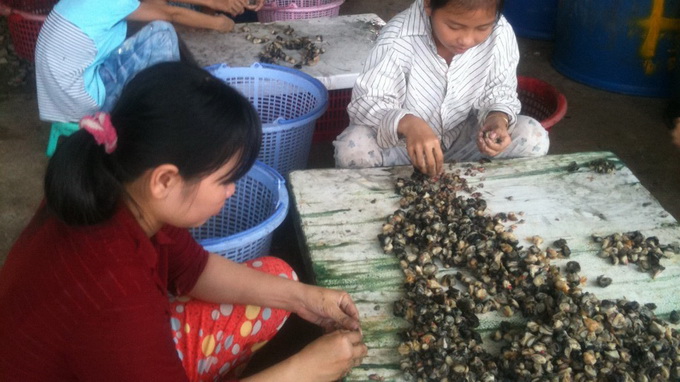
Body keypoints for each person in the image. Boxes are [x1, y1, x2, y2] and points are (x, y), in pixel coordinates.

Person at [0, 62, 367, 382]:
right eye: (224, 179)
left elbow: (195, 269)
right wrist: (304, 370)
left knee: (281, 277)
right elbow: (119, 311)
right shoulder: (114, 292)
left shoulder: (118, 184)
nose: (232, 191)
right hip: (88, 352)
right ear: (165, 180)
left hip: (98, 349)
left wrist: (306, 299)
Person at [334, 0, 550, 178]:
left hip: (466, 145)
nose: (466, 40)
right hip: (403, 150)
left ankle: (485, 195)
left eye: (482, 28)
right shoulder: (398, 37)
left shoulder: (500, 33)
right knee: (353, 147)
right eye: (454, 27)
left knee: (533, 136)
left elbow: (500, 89)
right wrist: (409, 124)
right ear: (429, 5)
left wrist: (497, 118)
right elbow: (368, 102)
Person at [34, 0, 264, 123]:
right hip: (84, 103)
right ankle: (168, 115)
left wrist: (216, 3)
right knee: (161, 32)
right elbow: (170, 13)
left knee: (145, 29)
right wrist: (218, 24)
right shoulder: (115, 2)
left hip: (59, 98)